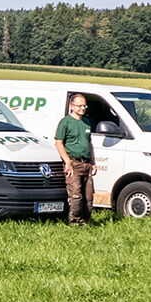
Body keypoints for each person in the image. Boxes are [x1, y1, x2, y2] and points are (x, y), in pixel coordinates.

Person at [53, 94, 97, 226]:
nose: (83, 108)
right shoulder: (65, 122)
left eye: (84, 106)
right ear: (72, 106)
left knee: (88, 197)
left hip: (86, 163)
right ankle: (75, 222)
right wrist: (67, 162)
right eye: (80, 106)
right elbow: (58, 143)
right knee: (76, 196)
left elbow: (89, 143)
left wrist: (93, 162)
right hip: (73, 163)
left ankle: (86, 222)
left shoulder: (86, 122)